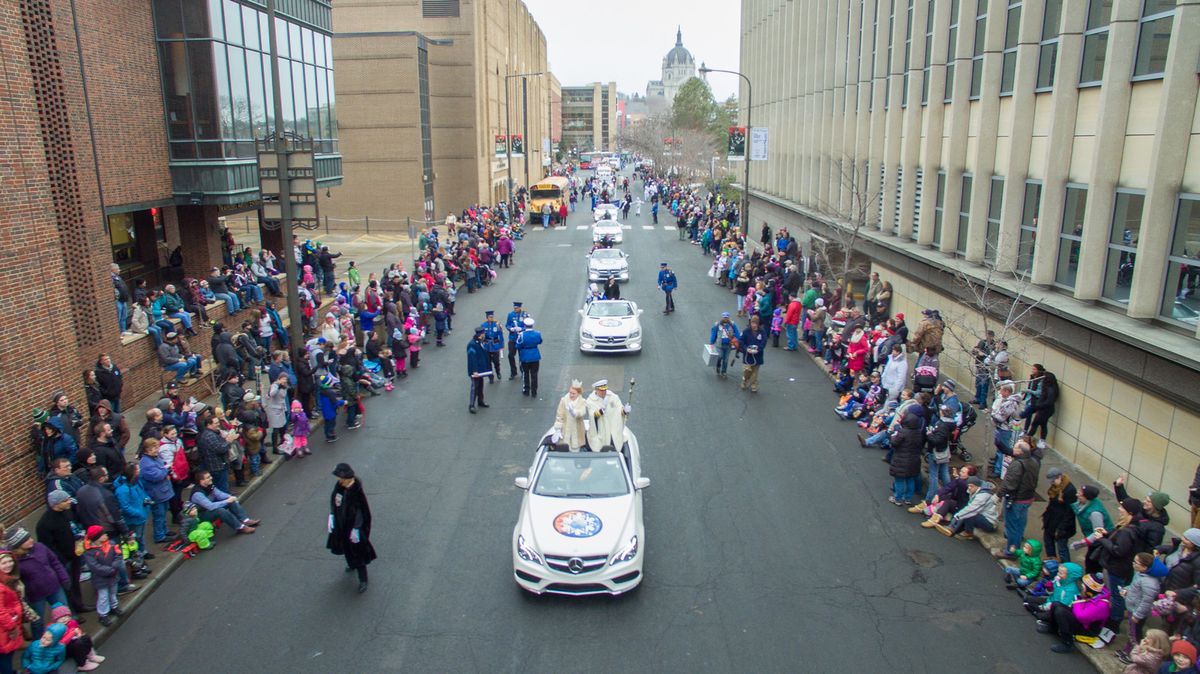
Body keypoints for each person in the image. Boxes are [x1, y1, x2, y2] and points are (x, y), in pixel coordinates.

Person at [327, 464, 376, 594]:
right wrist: (332, 515)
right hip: (342, 525)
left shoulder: (356, 491)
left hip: (354, 528)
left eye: (341, 478)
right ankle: (351, 564)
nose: (339, 480)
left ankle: (363, 580)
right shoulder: (340, 487)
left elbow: (361, 512)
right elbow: (334, 501)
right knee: (347, 548)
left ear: (348, 478)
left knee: (358, 552)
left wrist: (356, 528)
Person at [35, 491, 86, 615]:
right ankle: (71, 613)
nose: (69, 502)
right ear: (56, 504)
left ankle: (79, 605)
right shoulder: (44, 524)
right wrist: (62, 561)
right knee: (67, 587)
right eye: (65, 500)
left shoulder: (66, 513)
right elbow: (48, 547)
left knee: (75, 582)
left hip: (74, 555)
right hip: (63, 561)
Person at [189, 470, 260, 535]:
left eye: (210, 476)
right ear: (202, 481)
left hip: (209, 509)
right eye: (208, 477)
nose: (211, 478)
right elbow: (210, 506)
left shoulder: (209, 486)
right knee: (221, 511)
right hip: (202, 515)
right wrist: (227, 501)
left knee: (230, 500)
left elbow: (220, 495)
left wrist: (230, 497)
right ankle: (240, 527)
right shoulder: (197, 494)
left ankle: (245, 520)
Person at [888, 413, 924, 506]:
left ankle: (897, 498)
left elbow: (894, 443)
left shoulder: (903, 432)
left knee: (899, 480)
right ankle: (908, 498)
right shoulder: (918, 433)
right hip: (914, 460)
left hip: (901, 459)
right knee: (910, 479)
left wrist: (893, 435)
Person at [1041, 467, 1077, 562]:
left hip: (1062, 524)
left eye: (1053, 481)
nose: (1052, 483)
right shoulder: (1055, 488)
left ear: (1060, 477)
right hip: (1051, 520)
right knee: (1048, 540)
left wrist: (1061, 528)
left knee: (1062, 547)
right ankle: (1051, 561)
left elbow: (1070, 512)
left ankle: (1066, 567)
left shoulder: (1070, 490)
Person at [0, 550, 26, 674]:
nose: (9, 565)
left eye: (10, 561)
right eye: (4, 563)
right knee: (5, 656)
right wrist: (12, 628)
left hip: (8, 627)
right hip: (5, 629)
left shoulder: (8, 580)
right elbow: (1, 611)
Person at [584, 380, 630, 451]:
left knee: (615, 447)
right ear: (596, 390)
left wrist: (624, 411)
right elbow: (592, 415)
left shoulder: (613, 397)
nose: (603, 392)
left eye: (605, 390)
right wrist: (601, 410)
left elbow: (619, 410)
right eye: (601, 390)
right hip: (601, 431)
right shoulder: (590, 401)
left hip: (613, 430)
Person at [552, 381, 588, 450]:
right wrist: (558, 429)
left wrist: (574, 412)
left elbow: (582, 412)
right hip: (565, 431)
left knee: (575, 450)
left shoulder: (582, 401)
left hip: (577, 432)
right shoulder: (564, 400)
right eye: (570, 393)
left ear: (578, 393)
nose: (571, 395)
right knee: (565, 449)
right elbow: (559, 415)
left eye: (573, 393)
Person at [737, 314, 768, 393]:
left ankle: (754, 385)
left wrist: (758, 349)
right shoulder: (746, 331)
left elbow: (764, 342)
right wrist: (746, 349)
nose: (753, 325)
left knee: (755, 372)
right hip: (748, 355)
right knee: (747, 370)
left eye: (755, 323)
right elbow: (741, 341)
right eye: (752, 323)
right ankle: (745, 380)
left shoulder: (762, 331)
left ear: (757, 324)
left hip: (757, 356)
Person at [467, 328, 492, 413]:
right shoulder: (472, 345)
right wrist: (474, 371)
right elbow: (472, 358)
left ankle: (480, 401)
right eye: (482, 334)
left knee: (480, 385)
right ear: (479, 334)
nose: (484, 335)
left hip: (481, 370)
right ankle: (471, 405)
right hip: (475, 370)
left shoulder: (480, 342)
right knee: (475, 387)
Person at [516, 317, 542, 398]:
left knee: (525, 374)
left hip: (525, 357)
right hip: (535, 356)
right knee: (534, 374)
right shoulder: (537, 333)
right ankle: (534, 392)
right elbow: (540, 341)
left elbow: (518, 345)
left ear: (525, 325)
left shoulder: (522, 335)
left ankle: (526, 390)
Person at [709, 313, 741, 377]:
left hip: (728, 345)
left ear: (728, 317)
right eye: (724, 317)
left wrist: (737, 340)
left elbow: (737, 333)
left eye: (727, 317)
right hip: (719, 345)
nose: (725, 318)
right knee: (720, 356)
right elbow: (714, 333)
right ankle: (718, 365)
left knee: (726, 359)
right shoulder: (717, 325)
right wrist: (711, 343)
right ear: (722, 317)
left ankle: (724, 372)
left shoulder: (732, 324)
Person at [504, 302, 528, 380]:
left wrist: (522, 329)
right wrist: (510, 328)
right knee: (510, 355)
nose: (515, 309)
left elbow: (528, 325)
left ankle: (523, 371)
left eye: (516, 308)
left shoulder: (525, 315)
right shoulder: (510, 315)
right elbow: (507, 325)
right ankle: (513, 372)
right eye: (514, 308)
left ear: (520, 308)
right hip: (513, 338)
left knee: (522, 356)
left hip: (521, 339)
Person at [480, 311, 504, 384]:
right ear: (487, 318)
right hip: (487, 345)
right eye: (490, 317)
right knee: (488, 362)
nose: (492, 318)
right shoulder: (483, 325)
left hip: (495, 345)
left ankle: (498, 372)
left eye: (492, 317)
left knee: (496, 361)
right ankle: (491, 376)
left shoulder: (496, 324)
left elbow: (500, 335)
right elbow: (481, 336)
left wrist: (501, 345)